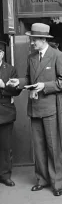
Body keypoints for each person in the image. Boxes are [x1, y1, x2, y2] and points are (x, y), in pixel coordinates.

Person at [7, 23, 62, 196]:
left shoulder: (58, 56)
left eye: (34, 40)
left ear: (43, 40)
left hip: (51, 108)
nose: (31, 43)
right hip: (34, 107)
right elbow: (28, 78)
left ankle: (57, 183)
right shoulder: (31, 57)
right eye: (31, 40)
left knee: (53, 147)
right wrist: (18, 82)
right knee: (39, 147)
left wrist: (45, 85)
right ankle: (42, 179)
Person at [0, 41, 21, 187]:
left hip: (5, 112)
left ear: (1, 53)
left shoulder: (10, 70)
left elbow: (17, 91)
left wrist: (3, 87)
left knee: (5, 146)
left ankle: (5, 175)